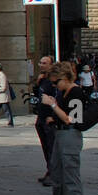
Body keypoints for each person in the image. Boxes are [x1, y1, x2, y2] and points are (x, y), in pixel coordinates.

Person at [40, 61, 83, 195]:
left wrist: (52, 105)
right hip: (60, 134)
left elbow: (71, 119)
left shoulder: (76, 92)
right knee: (57, 176)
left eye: (56, 82)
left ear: (65, 78)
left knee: (71, 179)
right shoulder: (63, 92)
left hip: (70, 135)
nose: (54, 85)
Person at [33, 55, 58, 186]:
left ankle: (54, 174)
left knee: (52, 147)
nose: (42, 65)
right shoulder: (42, 79)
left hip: (50, 119)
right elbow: (38, 95)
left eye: (45, 63)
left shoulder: (54, 80)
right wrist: (37, 83)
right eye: (40, 63)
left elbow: (57, 99)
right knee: (45, 147)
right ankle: (49, 171)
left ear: (51, 65)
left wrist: (53, 116)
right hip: (41, 117)